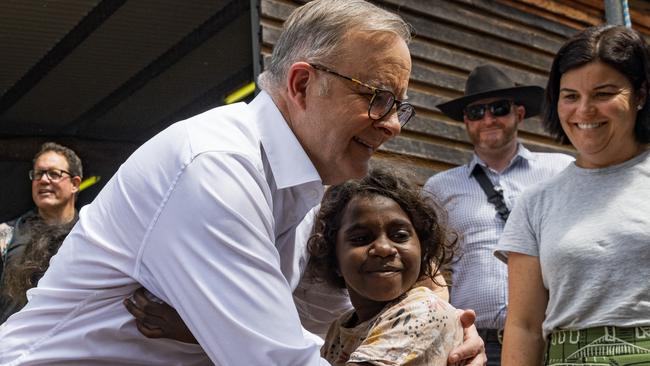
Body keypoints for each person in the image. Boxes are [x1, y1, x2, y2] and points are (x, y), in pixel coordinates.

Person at [0, 1, 485, 365]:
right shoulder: (215, 166)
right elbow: (277, 359)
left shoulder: (302, 190)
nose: (393, 124)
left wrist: (444, 335)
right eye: (379, 98)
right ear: (300, 85)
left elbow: (322, 325)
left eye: (399, 106)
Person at [495, 24, 650, 365]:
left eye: (603, 93)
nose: (584, 110)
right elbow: (524, 326)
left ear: (640, 95)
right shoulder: (536, 202)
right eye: (570, 96)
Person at [423, 64, 573, 364]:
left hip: (554, 337)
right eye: (477, 112)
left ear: (518, 113)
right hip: (476, 343)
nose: (488, 119)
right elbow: (428, 266)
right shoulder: (439, 188)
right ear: (466, 121)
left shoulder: (560, 170)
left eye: (499, 108)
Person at [308, 167, 463, 365]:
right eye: (362, 238)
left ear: (423, 250)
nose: (383, 248)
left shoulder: (424, 311)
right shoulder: (341, 327)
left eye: (399, 236)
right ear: (333, 258)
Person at [0, 142, 82, 323]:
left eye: (54, 174)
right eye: (38, 174)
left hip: (68, 344)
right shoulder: (6, 234)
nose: (44, 180)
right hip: (14, 344)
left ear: (75, 183)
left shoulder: (89, 233)